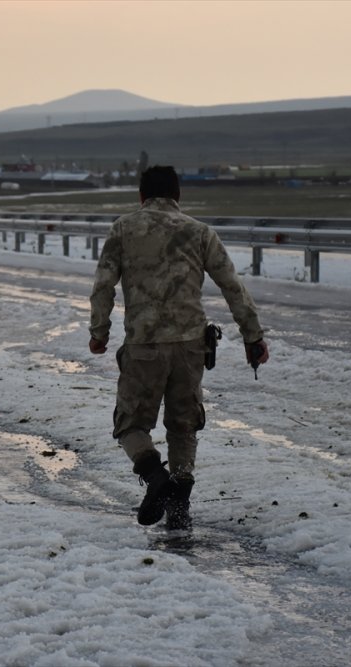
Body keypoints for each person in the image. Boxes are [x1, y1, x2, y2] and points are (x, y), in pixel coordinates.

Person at [89, 165, 269, 530]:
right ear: (177, 196)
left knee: (131, 424)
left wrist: (100, 331)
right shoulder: (200, 232)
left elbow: (104, 285)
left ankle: (156, 478)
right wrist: (253, 337)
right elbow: (232, 286)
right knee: (183, 426)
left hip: (143, 346)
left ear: (141, 196)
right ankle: (180, 503)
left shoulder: (123, 229)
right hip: (190, 348)